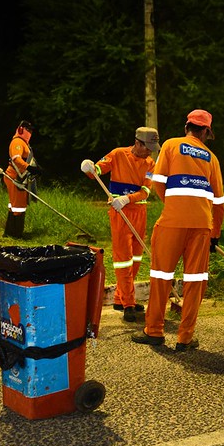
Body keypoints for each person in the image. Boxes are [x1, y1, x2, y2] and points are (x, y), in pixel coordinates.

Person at [132, 109, 224, 351]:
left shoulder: (171, 145)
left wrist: (174, 205)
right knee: (195, 281)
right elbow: (219, 203)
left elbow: (157, 183)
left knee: (161, 277)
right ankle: (185, 338)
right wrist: (215, 234)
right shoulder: (212, 158)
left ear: (187, 127)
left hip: (171, 223)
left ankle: (153, 332)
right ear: (205, 132)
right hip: (202, 227)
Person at [80, 127, 159, 322]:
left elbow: (146, 191)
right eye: (147, 147)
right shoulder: (117, 154)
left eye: (152, 148)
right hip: (119, 213)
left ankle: (119, 298)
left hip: (139, 211)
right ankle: (129, 304)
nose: (150, 151)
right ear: (137, 143)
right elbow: (98, 171)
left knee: (136, 258)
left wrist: (127, 198)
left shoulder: (150, 164)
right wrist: (90, 168)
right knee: (123, 258)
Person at [4, 120, 42, 238]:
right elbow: (16, 159)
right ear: (21, 129)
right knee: (19, 207)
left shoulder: (23, 142)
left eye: (31, 130)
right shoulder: (17, 142)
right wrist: (30, 168)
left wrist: (35, 168)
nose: (30, 133)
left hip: (19, 177)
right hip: (16, 178)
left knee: (14, 205)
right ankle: (16, 234)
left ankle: (9, 232)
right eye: (28, 130)